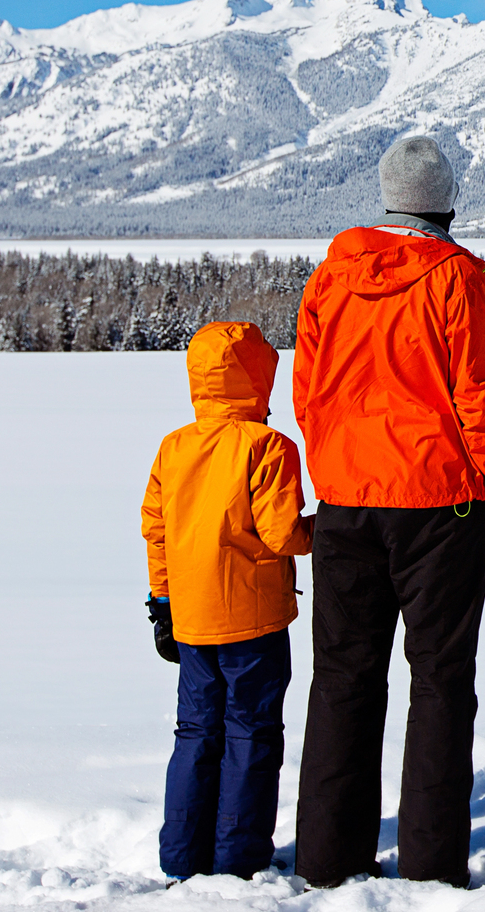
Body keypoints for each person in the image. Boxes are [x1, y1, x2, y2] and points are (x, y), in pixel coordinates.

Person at [291, 136, 485, 889]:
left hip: (347, 504)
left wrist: (335, 476)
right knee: (441, 684)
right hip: (439, 508)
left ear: (388, 197)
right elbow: (480, 394)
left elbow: (309, 391)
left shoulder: (331, 278)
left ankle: (328, 860)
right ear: (446, 201)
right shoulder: (455, 279)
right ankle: (429, 867)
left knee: (342, 681)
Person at [140, 320, 315, 881]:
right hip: (254, 621)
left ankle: (183, 857)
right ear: (259, 376)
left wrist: (162, 602)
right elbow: (284, 533)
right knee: (252, 734)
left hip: (191, 620)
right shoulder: (268, 446)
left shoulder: (174, 447)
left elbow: (157, 531)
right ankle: (238, 859)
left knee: (195, 732)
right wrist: (327, 528)